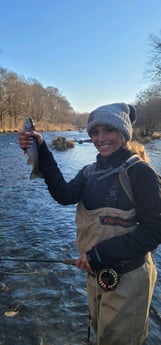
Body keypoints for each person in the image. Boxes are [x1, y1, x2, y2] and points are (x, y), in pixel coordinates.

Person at [18, 103, 161, 345]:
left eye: (108, 131)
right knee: (102, 335)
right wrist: (41, 150)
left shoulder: (142, 174)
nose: (100, 138)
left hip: (129, 279)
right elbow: (64, 195)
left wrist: (98, 254)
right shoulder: (89, 173)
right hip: (98, 275)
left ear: (124, 133)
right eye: (95, 132)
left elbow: (153, 232)